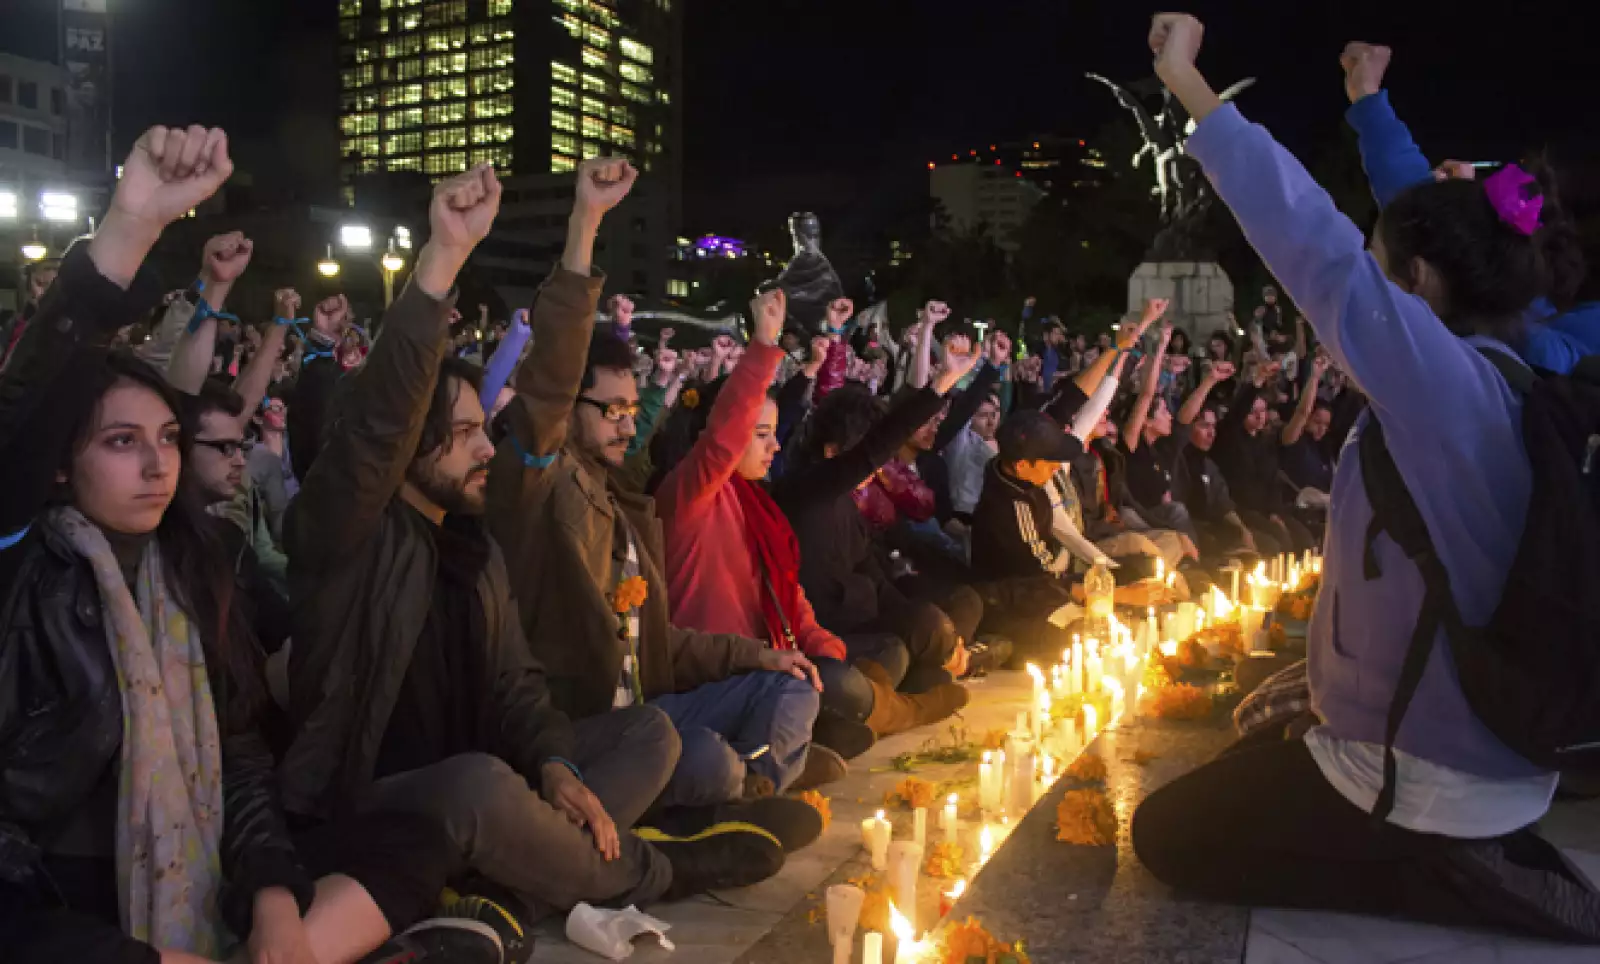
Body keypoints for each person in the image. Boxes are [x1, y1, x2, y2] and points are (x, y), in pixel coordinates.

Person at [1131, 16, 1581, 938]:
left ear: (1414, 284)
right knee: (1258, 733)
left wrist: (1186, 82)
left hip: (1430, 779)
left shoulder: (1444, 389)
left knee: (1167, 835)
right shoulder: (1508, 375)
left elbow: (1312, 242)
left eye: (1386, 278)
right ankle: (1462, 843)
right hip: (1491, 755)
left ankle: (1441, 873)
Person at [0, 124, 486, 964]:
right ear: (59, 465)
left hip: (197, 871)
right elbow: (26, 407)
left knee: (413, 843)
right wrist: (132, 226)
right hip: (56, 900)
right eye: (121, 443)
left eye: (167, 439)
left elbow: (240, 754)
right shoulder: (21, 571)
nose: (158, 463)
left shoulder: (195, 563)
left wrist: (269, 899)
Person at [279, 162, 783, 923]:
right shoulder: (351, 537)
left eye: (487, 431)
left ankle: (511, 885)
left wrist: (553, 765)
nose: (490, 450)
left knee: (647, 734)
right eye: (463, 437)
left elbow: (518, 687)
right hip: (378, 800)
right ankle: (653, 871)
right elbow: (384, 422)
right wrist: (442, 259)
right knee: (477, 782)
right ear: (408, 454)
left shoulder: (479, 550)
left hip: (498, 781)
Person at [485, 157, 830, 814]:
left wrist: (759, 656)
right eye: (609, 410)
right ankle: (737, 802)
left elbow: (660, 639)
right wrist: (586, 222)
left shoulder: (625, 500)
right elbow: (548, 391)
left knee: (794, 687)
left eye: (630, 408)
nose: (625, 423)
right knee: (699, 757)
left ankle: (743, 797)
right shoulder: (540, 489)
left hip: (657, 700)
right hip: (590, 731)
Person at [653, 288, 941, 766]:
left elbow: (789, 595)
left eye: (774, 435)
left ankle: (829, 729)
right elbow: (723, 441)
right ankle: (890, 714)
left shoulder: (757, 504)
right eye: (761, 436)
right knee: (847, 683)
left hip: (777, 660)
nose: (773, 448)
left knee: (870, 661)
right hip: (723, 676)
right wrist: (765, 346)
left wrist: (822, 649)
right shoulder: (688, 496)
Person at [774, 332, 984, 753]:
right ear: (834, 453)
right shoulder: (802, 493)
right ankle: (890, 706)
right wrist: (938, 385)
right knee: (893, 653)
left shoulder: (850, 508)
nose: (878, 466)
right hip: (828, 643)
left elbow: (876, 575)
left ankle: (915, 685)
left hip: (865, 621)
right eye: (868, 456)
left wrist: (926, 625)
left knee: (939, 614)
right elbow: (873, 449)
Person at [1340, 42, 1597, 374]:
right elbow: (1424, 228)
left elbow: (1425, 230)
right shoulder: (1524, 335)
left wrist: (1368, 98)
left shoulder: (1520, 352)